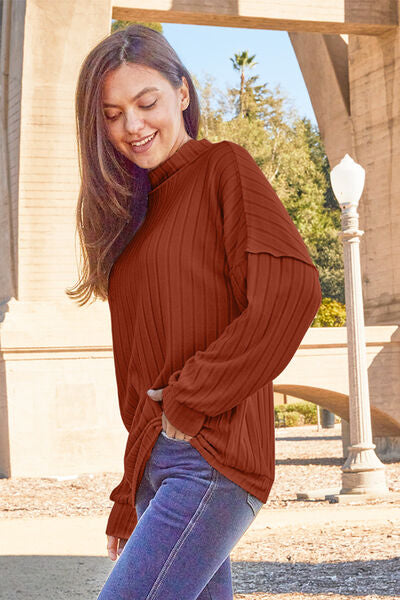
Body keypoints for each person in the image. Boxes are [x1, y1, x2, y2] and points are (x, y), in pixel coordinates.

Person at [67, 23, 322, 600]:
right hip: (162, 467)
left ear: (182, 92)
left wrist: (194, 396)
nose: (132, 126)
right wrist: (129, 491)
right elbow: (143, 367)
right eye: (112, 114)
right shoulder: (134, 213)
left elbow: (291, 290)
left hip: (211, 458)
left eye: (146, 102)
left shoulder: (223, 169)